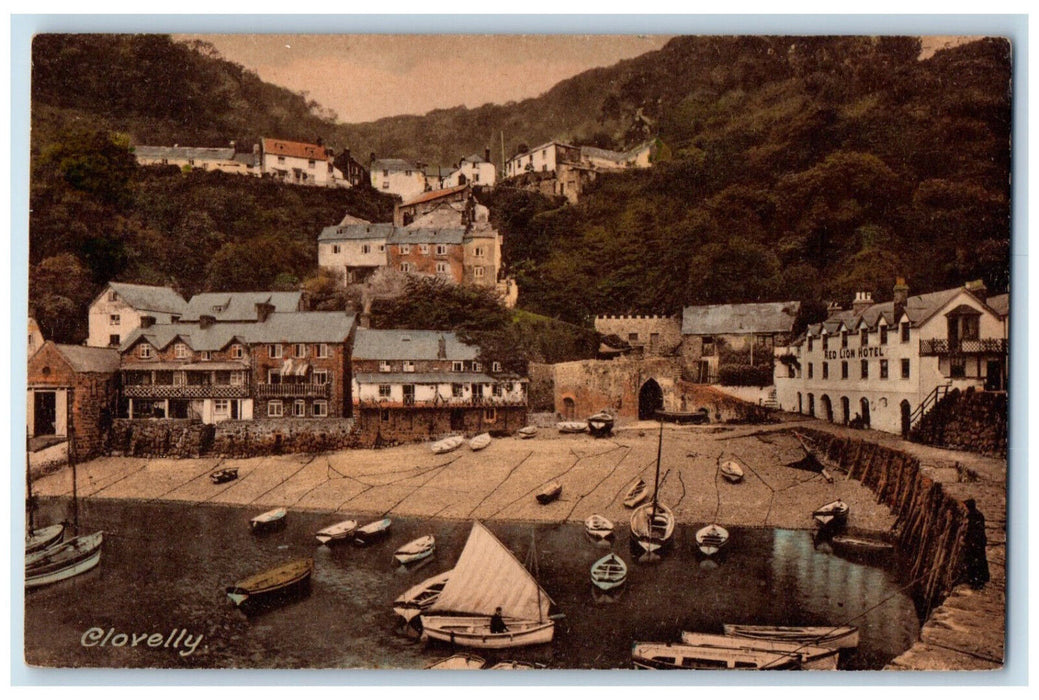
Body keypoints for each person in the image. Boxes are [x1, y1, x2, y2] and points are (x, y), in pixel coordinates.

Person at [962, 499, 990, 590]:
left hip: (976, 543)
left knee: (976, 562)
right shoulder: (977, 515)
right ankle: (977, 579)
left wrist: (970, 542)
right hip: (977, 542)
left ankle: (977, 581)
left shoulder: (974, 516)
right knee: (978, 561)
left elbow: (974, 531)